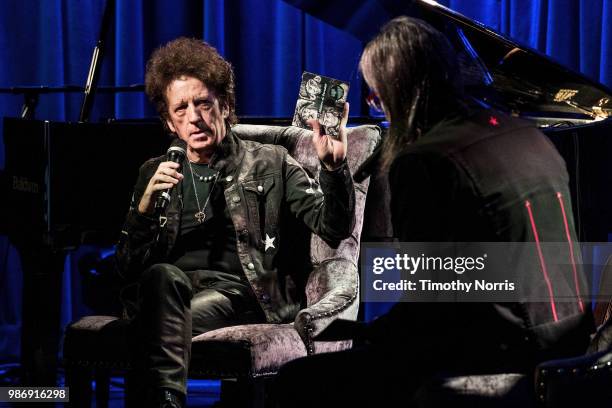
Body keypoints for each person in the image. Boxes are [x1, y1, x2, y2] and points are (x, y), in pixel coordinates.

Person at [275, 16, 594, 407]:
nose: (374, 106)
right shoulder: (525, 133)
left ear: (397, 91)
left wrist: (374, 331)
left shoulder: (425, 161)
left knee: (298, 381)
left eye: (376, 96)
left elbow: (434, 305)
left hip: (505, 353)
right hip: (571, 341)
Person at [114, 37, 355, 407]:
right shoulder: (154, 172)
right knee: (162, 277)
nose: (194, 116)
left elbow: (334, 228)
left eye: (203, 103)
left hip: (240, 293)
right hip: (169, 292)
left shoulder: (270, 162)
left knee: (151, 326)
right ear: (168, 121)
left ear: (224, 106)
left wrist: (333, 169)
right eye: (181, 109)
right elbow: (127, 268)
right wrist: (142, 211)